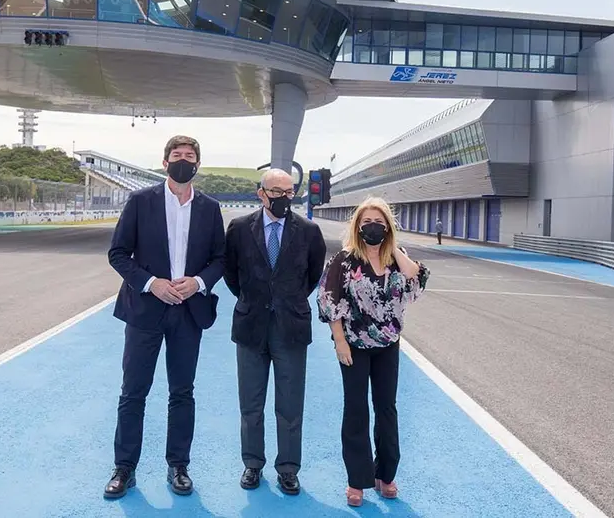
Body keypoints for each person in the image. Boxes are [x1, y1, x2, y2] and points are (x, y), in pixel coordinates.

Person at [104, 135, 225, 499]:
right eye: (177, 155)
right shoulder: (141, 201)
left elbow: (220, 259)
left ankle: (179, 466)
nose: (183, 160)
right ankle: (125, 468)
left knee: (182, 392)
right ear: (165, 162)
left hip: (188, 313)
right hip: (145, 311)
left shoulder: (209, 207)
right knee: (133, 392)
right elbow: (118, 253)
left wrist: (199, 282)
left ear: (198, 164)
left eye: (189, 156)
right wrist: (152, 283)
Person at [316, 196, 430, 508]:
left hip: (388, 345)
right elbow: (329, 301)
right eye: (367, 223)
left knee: (387, 408)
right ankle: (357, 480)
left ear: (388, 228)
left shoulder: (398, 258)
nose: (373, 228)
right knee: (355, 409)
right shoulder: (344, 260)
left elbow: (417, 279)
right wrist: (340, 342)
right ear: (357, 227)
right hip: (353, 345)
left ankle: (386, 474)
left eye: (379, 224)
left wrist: (392, 248)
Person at [223, 169, 327, 495]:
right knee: (250, 404)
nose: (283, 197)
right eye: (276, 191)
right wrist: (256, 300)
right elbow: (230, 274)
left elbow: (311, 275)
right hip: (251, 325)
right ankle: (253, 465)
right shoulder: (239, 229)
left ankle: (288, 469)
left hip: (291, 328)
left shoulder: (309, 231)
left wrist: (285, 301)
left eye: (288, 192)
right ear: (261, 193)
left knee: (290, 404)